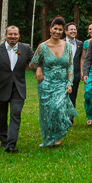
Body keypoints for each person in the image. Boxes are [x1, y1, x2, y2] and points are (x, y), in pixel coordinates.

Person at [0, 25, 33, 153]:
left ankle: (11, 144)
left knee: (15, 114)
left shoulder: (26, 49)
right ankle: (3, 140)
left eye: (15, 34)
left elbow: (36, 63)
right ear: (5, 35)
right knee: (1, 117)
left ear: (19, 35)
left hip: (18, 89)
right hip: (0, 88)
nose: (13, 37)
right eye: (10, 34)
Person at [30, 17, 77, 147]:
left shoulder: (67, 46)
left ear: (63, 31)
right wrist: (39, 69)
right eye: (55, 28)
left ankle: (58, 134)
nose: (57, 31)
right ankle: (49, 138)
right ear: (50, 29)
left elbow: (70, 65)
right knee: (47, 112)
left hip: (61, 83)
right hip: (46, 84)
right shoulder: (43, 47)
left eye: (60, 29)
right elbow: (33, 64)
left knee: (58, 109)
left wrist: (69, 83)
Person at [80, 22, 92, 125]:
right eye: (90, 29)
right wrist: (82, 72)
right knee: (88, 94)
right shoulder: (86, 43)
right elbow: (83, 58)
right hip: (89, 71)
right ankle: (90, 114)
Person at [64, 22, 82, 121]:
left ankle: (70, 120)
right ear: (66, 31)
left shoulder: (80, 44)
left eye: (75, 29)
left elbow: (82, 59)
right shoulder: (60, 42)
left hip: (75, 75)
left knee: (72, 97)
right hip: (62, 74)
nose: (73, 31)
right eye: (71, 29)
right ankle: (61, 118)